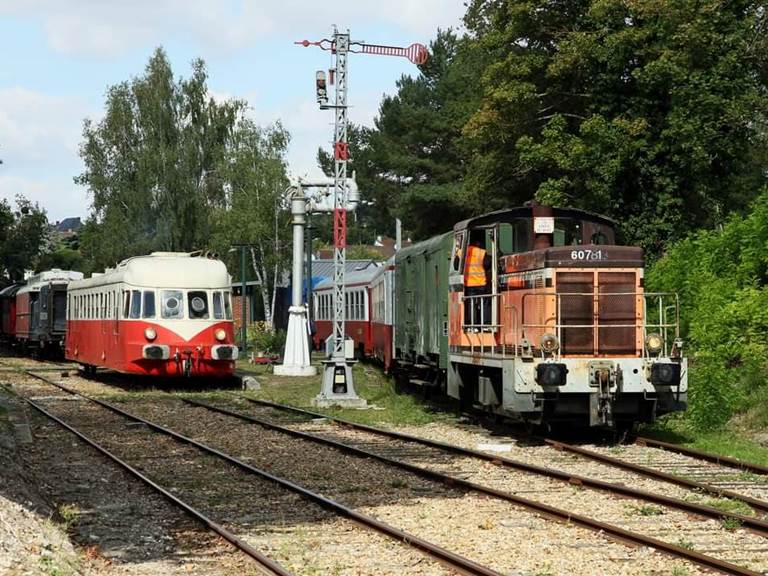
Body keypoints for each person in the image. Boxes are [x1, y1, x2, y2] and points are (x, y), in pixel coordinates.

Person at [463, 234, 492, 330]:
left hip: (469, 284)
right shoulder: (481, 253)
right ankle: (485, 324)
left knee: (471, 303)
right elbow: (488, 264)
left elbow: (456, 265)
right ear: (478, 243)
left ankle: (472, 324)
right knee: (484, 302)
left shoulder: (462, 252)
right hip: (480, 283)